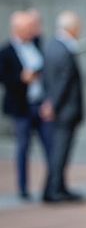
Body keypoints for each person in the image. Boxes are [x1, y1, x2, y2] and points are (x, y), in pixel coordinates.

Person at [0, 11, 53, 201]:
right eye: (26, 29)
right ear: (16, 30)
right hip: (21, 106)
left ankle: (52, 185)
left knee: (50, 146)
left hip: (39, 104)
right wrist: (21, 79)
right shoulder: (6, 51)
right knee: (23, 147)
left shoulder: (38, 44)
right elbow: (4, 78)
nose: (30, 32)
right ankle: (23, 187)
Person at [42, 11, 85, 203]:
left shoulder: (52, 46)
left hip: (60, 109)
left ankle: (56, 187)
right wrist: (53, 104)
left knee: (58, 151)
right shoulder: (63, 49)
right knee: (60, 151)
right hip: (64, 110)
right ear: (73, 28)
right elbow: (62, 82)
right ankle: (54, 190)